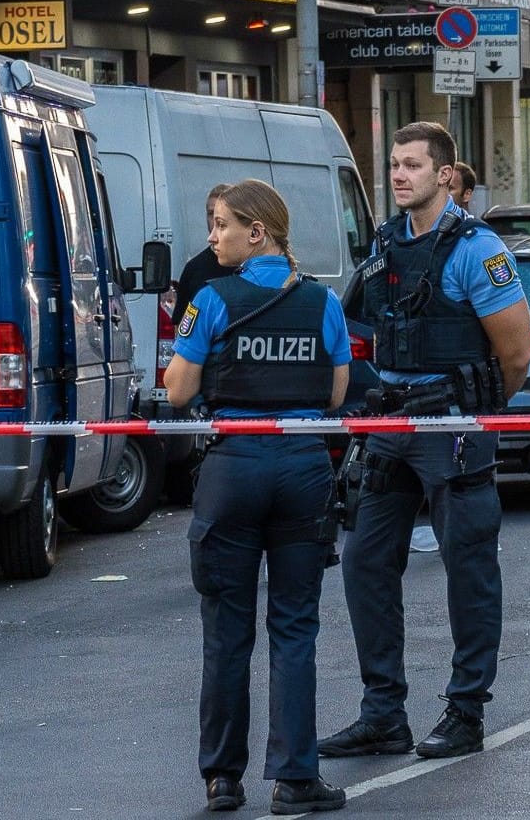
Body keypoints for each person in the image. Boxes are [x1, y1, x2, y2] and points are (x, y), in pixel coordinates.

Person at [322, 122, 530, 762]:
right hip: (390, 427)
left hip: (451, 428)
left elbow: (516, 353)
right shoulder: (386, 243)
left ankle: (465, 711)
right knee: (364, 562)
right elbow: (360, 327)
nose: (398, 174)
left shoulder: (478, 248)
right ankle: (383, 713)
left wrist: (475, 406)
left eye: (412, 164)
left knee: (468, 569)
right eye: (393, 163)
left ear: (445, 175)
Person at [163, 179, 352, 816]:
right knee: (295, 628)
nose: (212, 236)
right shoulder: (323, 301)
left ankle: (223, 779)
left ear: (258, 233)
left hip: (233, 471)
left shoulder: (211, 300)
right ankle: (296, 779)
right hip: (302, 469)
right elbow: (334, 395)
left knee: (225, 633)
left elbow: (179, 392)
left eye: (221, 224)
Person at [173, 184, 235, 329]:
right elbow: (181, 325)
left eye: (222, 214)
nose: (215, 219)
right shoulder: (194, 268)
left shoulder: (251, 266)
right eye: (210, 213)